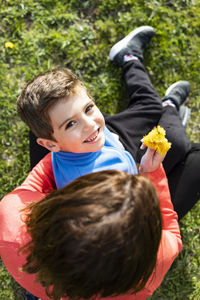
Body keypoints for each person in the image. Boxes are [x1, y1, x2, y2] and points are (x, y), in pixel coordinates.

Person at [0, 25, 199, 298]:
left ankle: (167, 109)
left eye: (89, 108)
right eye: (141, 213)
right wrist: (152, 175)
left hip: (79, 147)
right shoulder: (149, 269)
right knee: (183, 146)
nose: (92, 124)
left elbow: (24, 192)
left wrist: (60, 150)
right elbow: (169, 228)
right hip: (110, 151)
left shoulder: (14, 231)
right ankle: (169, 108)